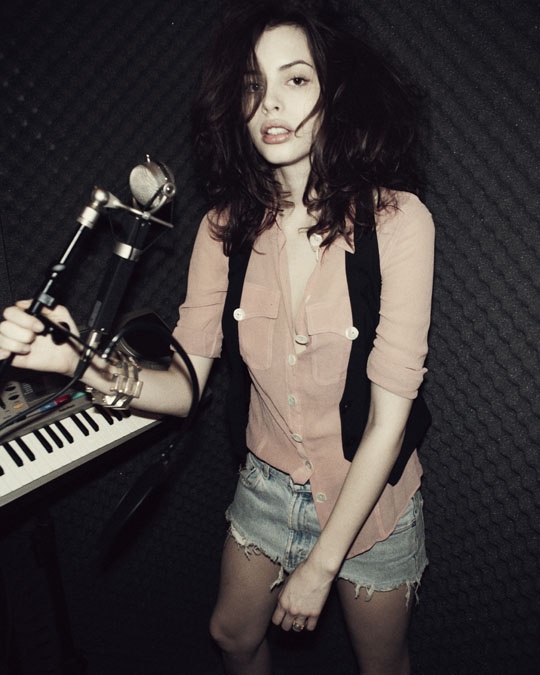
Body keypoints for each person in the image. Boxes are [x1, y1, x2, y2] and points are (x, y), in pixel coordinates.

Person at [0, 2, 435, 673]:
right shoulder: (222, 230)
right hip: (265, 485)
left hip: (371, 494)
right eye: (253, 85)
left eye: (296, 79)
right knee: (231, 636)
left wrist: (322, 566)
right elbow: (187, 387)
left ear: (336, 93)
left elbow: (389, 420)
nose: (270, 103)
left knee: (382, 665)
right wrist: (75, 363)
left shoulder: (400, 221)